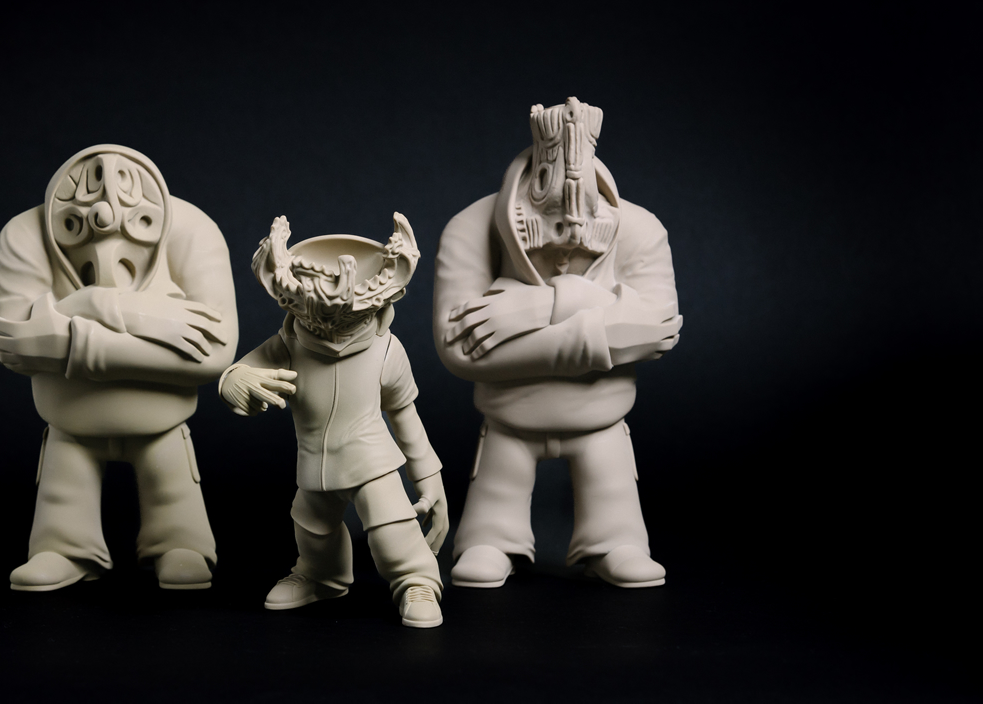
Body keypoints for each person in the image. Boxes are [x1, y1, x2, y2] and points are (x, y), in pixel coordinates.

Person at [434, 98, 682, 589]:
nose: (567, 239)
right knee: (492, 514)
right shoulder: (471, 226)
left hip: (601, 418)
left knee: (611, 490)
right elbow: (459, 347)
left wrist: (536, 306)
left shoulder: (640, 227)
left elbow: (658, 329)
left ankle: (615, 540)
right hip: (509, 419)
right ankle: (491, 537)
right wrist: (605, 314)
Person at [0, 145, 237, 591]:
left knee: (174, 500)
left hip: (161, 423)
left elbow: (215, 353)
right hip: (70, 421)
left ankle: (180, 541)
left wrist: (64, 326)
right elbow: (10, 342)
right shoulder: (24, 233)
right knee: (65, 490)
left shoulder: (193, 229)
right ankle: (64, 546)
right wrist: (120, 309)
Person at [220, 214, 449, 627]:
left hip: (373, 462)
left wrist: (429, 477)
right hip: (314, 461)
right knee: (311, 528)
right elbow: (242, 370)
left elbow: (404, 415)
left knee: (392, 529)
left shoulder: (386, 350)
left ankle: (417, 580)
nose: (329, 329)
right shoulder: (288, 345)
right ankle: (321, 576)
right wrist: (234, 382)